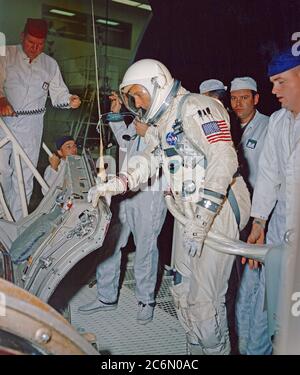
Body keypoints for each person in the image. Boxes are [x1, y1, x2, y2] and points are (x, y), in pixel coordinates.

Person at [87, 59, 251, 354]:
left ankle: (216, 350)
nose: (136, 102)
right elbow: (148, 159)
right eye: (132, 97)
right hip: (188, 213)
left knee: (204, 306)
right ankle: (195, 349)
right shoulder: (162, 121)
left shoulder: (197, 107)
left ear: (158, 83)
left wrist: (202, 221)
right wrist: (115, 184)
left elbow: (224, 159)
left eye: (139, 94)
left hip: (218, 211)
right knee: (180, 290)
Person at [78, 91, 168, 325]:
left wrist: (146, 131)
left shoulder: (164, 121)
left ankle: (145, 300)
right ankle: (106, 297)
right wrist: (116, 116)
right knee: (110, 243)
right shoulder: (139, 120)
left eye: (138, 96)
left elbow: (165, 151)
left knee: (146, 248)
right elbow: (127, 141)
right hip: (125, 192)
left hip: (150, 195)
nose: (136, 102)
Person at [241, 48, 300, 353]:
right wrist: (259, 221)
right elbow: (268, 175)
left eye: (280, 82)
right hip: (278, 232)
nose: (274, 91)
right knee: (267, 306)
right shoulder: (278, 122)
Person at [0, 18, 81, 221]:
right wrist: (1, 99)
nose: (35, 48)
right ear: (22, 37)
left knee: (25, 177)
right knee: (2, 172)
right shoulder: (5, 55)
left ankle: (16, 223)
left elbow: (58, 94)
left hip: (32, 126)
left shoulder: (50, 65)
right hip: (4, 123)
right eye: (30, 43)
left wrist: (69, 100)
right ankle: (2, 215)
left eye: (40, 44)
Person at [230, 77, 271, 355]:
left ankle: (250, 344)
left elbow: (271, 176)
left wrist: (262, 219)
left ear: (256, 99)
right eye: (234, 98)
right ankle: (241, 337)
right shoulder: (230, 128)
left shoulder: (269, 127)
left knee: (254, 280)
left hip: (261, 214)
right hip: (237, 212)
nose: (238, 103)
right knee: (239, 276)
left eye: (245, 98)